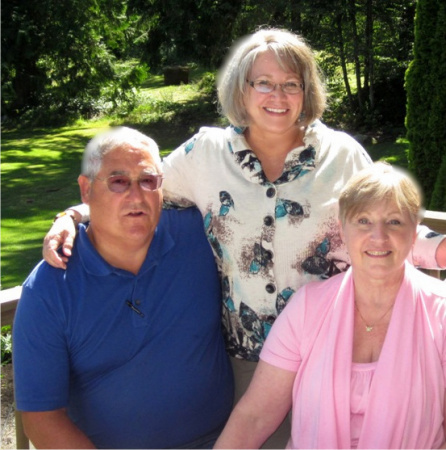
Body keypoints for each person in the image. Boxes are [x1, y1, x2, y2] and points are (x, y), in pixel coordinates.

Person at [42, 28, 446, 448]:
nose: (278, 95)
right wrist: (75, 213)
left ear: (306, 93)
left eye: (292, 84)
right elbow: (139, 189)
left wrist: (438, 248)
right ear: (243, 88)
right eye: (264, 83)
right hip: (242, 364)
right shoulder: (205, 154)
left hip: (327, 357)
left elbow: (383, 225)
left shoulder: (341, 156)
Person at [13, 127, 234, 449]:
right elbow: (41, 416)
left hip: (224, 441)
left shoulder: (199, 235)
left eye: (148, 181)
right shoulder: (50, 287)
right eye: (118, 182)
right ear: (86, 190)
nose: (136, 196)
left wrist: (72, 214)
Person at [214, 162, 446, 449]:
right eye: (363, 221)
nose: (378, 236)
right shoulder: (307, 308)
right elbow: (256, 416)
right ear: (342, 230)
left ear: (413, 234)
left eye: (395, 221)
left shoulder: (441, 314)